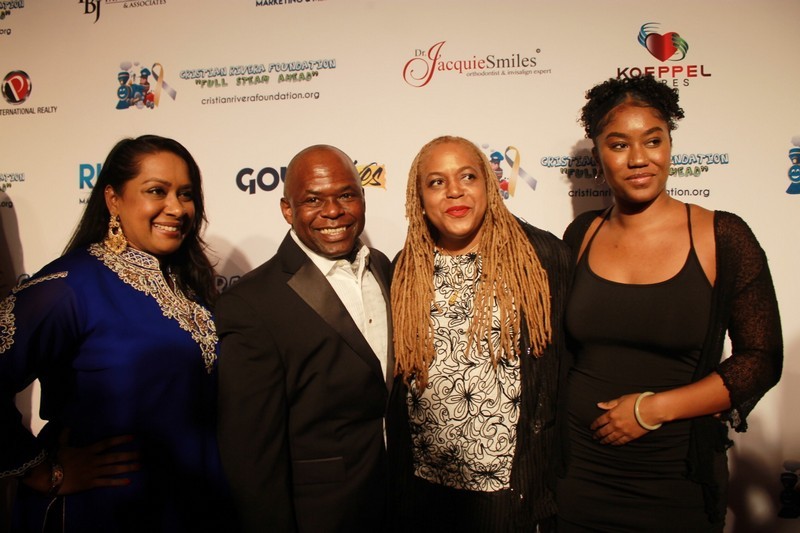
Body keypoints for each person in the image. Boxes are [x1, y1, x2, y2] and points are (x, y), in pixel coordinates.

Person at [556, 75, 783, 531]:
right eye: (619, 145)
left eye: (653, 140)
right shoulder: (582, 234)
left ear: (670, 145)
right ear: (598, 157)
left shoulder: (722, 236)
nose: (639, 158)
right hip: (578, 474)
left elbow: (762, 359)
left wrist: (651, 409)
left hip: (675, 477)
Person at [0, 135, 234, 532]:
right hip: (104, 511)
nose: (177, 208)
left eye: (186, 194)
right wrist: (42, 471)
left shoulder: (191, 289)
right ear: (113, 199)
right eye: (156, 191)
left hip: (189, 504)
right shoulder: (70, 286)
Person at [387, 135, 571, 532]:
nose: (454, 190)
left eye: (467, 176)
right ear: (419, 199)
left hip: (512, 493)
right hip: (424, 491)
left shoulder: (541, 257)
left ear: (489, 184)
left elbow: (567, 367)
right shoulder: (406, 268)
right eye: (436, 182)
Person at [216, 144, 392, 533]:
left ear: (363, 199)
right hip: (320, 514)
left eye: (346, 195)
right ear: (287, 209)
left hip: (398, 503)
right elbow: (251, 453)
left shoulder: (382, 267)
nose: (333, 211)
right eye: (313, 199)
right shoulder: (251, 302)